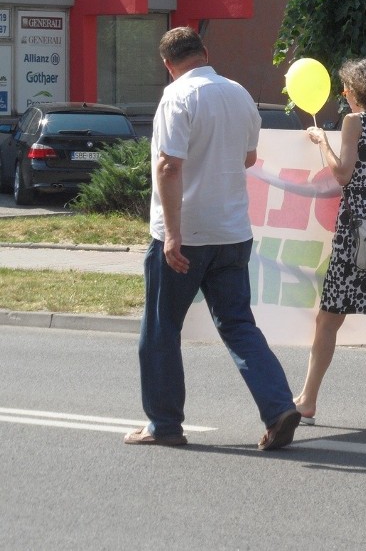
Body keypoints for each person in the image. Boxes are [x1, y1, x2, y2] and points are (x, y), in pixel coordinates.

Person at [124, 27, 300, 450]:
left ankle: (164, 425)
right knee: (239, 325)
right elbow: (248, 157)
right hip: (233, 230)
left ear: (168, 65)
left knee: (162, 329)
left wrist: (172, 235)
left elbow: (168, 166)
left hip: (187, 234)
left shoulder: (177, 97)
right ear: (205, 53)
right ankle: (279, 407)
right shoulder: (239, 93)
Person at [294, 58, 366, 432]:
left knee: (329, 318)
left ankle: (308, 401)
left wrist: (322, 143)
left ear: (356, 91)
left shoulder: (354, 122)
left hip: (353, 231)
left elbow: (343, 174)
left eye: (345, 89)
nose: (344, 95)